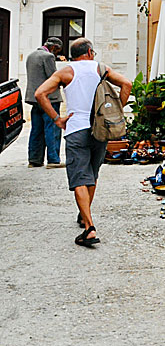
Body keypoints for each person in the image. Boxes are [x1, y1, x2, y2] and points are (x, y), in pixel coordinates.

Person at [35, 38, 132, 247]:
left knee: (80, 177)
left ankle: (89, 228)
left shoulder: (65, 72)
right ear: (89, 52)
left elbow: (40, 93)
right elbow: (127, 84)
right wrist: (114, 111)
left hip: (76, 128)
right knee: (92, 174)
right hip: (100, 129)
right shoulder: (101, 69)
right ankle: (83, 214)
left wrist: (56, 118)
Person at [25, 37, 64, 168]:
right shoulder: (48, 56)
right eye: (57, 51)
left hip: (34, 98)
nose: (57, 54)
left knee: (36, 130)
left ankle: (34, 159)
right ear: (53, 48)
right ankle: (53, 159)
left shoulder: (31, 55)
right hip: (49, 99)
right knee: (52, 129)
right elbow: (54, 77)